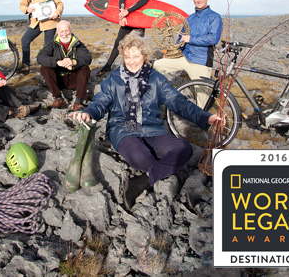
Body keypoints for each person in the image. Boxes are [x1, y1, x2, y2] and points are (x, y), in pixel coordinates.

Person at [73, 33, 223, 209]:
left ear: (145, 56)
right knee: (141, 157)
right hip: (122, 129)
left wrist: (206, 117)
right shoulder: (113, 79)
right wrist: (89, 112)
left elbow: (178, 102)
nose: (131, 61)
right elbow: (100, 102)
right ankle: (160, 173)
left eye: (136, 56)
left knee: (184, 149)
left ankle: (143, 181)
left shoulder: (156, 78)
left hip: (152, 130)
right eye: (127, 56)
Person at [97, 0, 154, 76]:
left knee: (138, 46)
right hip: (127, 19)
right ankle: (108, 65)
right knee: (118, 43)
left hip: (139, 21)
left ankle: (139, 68)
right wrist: (121, 14)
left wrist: (127, 11)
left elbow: (144, 1)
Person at [153, 0, 222, 80]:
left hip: (201, 62)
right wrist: (172, 53)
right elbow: (181, 38)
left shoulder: (215, 17)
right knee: (158, 65)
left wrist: (191, 39)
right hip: (184, 59)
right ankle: (173, 90)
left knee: (202, 94)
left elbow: (213, 39)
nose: (199, 0)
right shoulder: (189, 19)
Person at [37, 20, 92, 111]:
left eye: (67, 30)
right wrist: (57, 62)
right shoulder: (52, 44)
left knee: (85, 68)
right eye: (62, 31)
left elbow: (87, 58)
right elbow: (40, 57)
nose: (65, 34)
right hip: (59, 79)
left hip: (75, 79)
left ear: (70, 30)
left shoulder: (78, 44)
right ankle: (59, 98)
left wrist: (74, 62)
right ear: (58, 33)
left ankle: (78, 101)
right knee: (44, 68)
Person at [19, 0, 64, 74]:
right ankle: (26, 65)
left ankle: (48, 69)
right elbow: (22, 5)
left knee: (48, 46)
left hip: (50, 22)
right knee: (24, 40)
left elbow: (60, 4)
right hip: (36, 22)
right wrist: (27, 9)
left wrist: (57, 13)